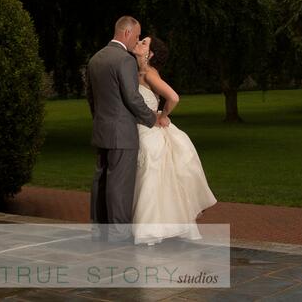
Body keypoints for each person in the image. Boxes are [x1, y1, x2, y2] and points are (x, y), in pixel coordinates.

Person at [86, 16, 167, 240]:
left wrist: (100, 118)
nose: (137, 41)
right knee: (119, 185)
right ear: (126, 33)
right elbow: (132, 98)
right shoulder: (124, 60)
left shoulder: (95, 59)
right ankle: (119, 235)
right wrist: (152, 119)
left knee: (100, 181)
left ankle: (99, 230)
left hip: (102, 130)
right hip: (122, 133)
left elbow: (91, 97)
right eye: (137, 36)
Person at [131, 35, 217, 244]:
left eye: (144, 43)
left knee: (150, 177)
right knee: (153, 179)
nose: (139, 42)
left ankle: (149, 231)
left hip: (147, 129)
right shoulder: (140, 71)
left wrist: (163, 116)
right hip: (140, 128)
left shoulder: (149, 73)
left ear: (149, 54)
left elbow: (174, 97)